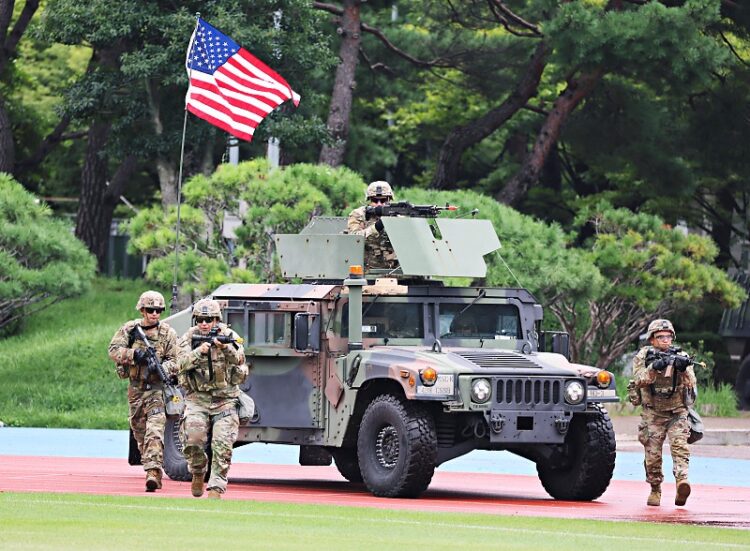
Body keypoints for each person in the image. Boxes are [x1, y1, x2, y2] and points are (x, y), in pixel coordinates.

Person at [177, 298, 248, 499]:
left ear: (217, 319)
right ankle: (198, 471)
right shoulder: (189, 338)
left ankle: (216, 487)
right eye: (200, 319)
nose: (204, 323)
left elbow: (240, 358)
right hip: (197, 399)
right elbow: (180, 363)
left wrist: (224, 348)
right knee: (193, 439)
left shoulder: (229, 336)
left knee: (222, 444)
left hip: (225, 399)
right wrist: (200, 352)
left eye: (209, 319)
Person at [108, 290, 178, 492]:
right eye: (150, 309)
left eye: (158, 310)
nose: (154, 313)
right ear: (142, 310)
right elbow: (113, 350)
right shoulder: (130, 329)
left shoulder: (168, 334)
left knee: (155, 431)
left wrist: (162, 368)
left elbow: (176, 360)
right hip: (136, 389)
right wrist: (134, 355)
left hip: (156, 390)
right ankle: (149, 464)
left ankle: (154, 472)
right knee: (140, 434)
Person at [631, 318, 697, 507]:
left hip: (677, 412)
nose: (665, 340)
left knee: (680, 448)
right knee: (652, 456)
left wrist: (683, 369)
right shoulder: (643, 356)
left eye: (668, 337)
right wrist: (654, 368)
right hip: (653, 413)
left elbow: (691, 383)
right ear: (652, 339)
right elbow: (638, 380)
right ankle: (655, 488)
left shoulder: (680, 355)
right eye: (660, 337)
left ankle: (682, 483)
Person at [347, 180, 398, 270]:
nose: (379, 204)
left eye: (383, 200)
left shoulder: (396, 216)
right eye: (375, 200)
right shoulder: (359, 215)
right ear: (369, 200)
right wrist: (376, 227)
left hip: (393, 270)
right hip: (366, 270)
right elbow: (353, 239)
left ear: (389, 200)